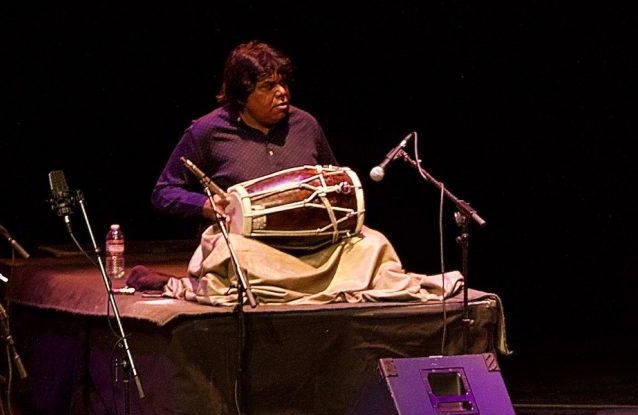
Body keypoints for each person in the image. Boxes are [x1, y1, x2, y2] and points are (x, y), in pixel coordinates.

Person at [151, 41, 444, 305]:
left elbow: (337, 184)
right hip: (253, 248)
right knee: (233, 256)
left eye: (284, 84)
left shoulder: (305, 125)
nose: (282, 93)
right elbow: (164, 192)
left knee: (373, 244)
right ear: (242, 95)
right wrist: (204, 206)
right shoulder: (207, 131)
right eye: (268, 86)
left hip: (315, 245)